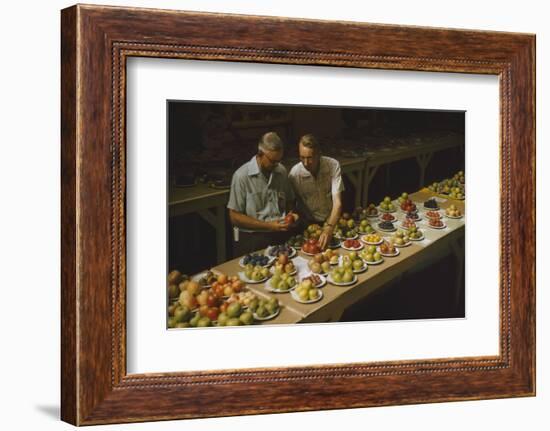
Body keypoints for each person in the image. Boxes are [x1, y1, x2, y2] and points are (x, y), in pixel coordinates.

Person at [227, 132, 298, 256]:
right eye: (272, 161)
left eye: (279, 160)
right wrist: (268, 225)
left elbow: (289, 200)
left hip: (279, 236)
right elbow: (234, 217)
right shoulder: (241, 176)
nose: (276, 164)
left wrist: (291, 215)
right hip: (252, 239)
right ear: (260, 154)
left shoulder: (280, 170)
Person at [289, 134, 344, 250]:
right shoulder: (294, 174)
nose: (305, 162)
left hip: (331, 221)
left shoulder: (333, 166)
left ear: (319, 154)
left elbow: (337, 203)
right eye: (302, 157)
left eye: (309, 158)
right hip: (308, 225)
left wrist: (329, 227)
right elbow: (293, 205)